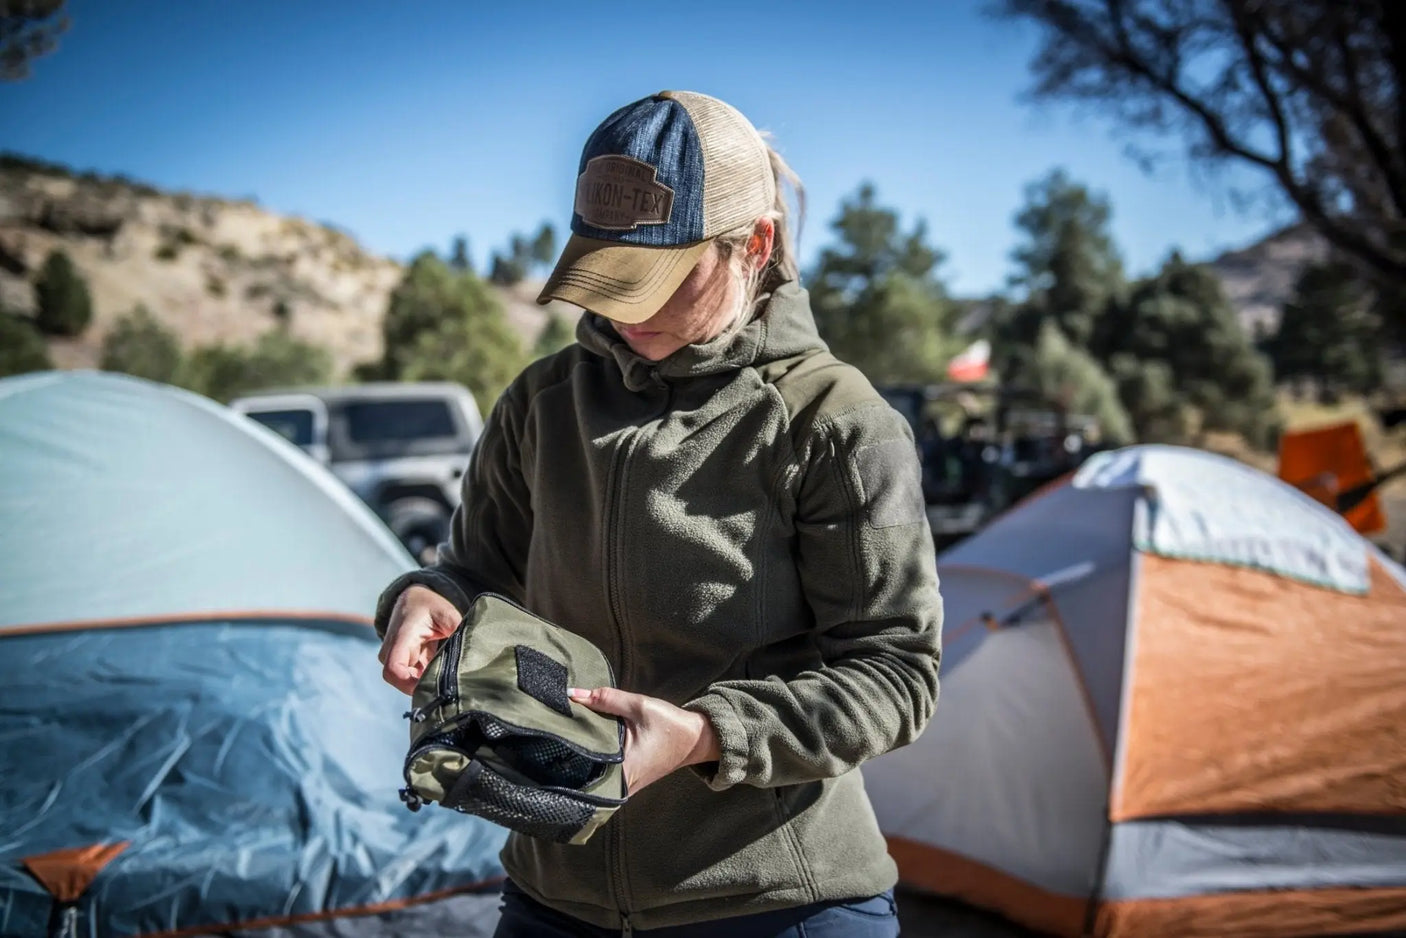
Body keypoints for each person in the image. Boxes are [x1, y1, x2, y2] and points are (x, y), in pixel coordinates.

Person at [374, 89, 943, 938]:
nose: (624, 310)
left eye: (660, 279)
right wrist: (426, 596)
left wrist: (707, 734)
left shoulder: (835, 423)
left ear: (755, 246)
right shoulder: (541, 404)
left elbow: (895, 675)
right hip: (555, 900)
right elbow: (476, 572)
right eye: (607, 275)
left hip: (778, 906)